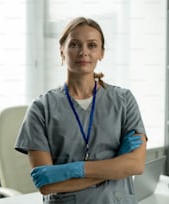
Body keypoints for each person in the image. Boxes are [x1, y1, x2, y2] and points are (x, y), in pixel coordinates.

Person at [15, 17, 147, 204]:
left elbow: (135, 165)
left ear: (102, 53)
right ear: (62, 50)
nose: (84, 52)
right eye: (75, 44)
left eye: (92, 45)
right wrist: (116, 164)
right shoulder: (41, 109)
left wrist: (73, 169)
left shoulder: (124, 100)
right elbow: (46, 185)